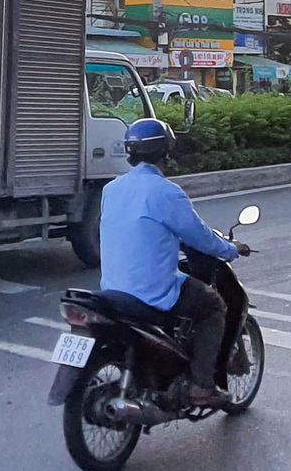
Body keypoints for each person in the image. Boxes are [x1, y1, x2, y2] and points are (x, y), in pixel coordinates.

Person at [98, 118, 246, 405]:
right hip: (150, 293)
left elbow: (139, 228)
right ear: (166, 153)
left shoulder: (111, 189)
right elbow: (201, 238)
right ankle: (202, 385)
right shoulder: (167, 192)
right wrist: (231, 249)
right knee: (213, 305)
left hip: (113, 289)